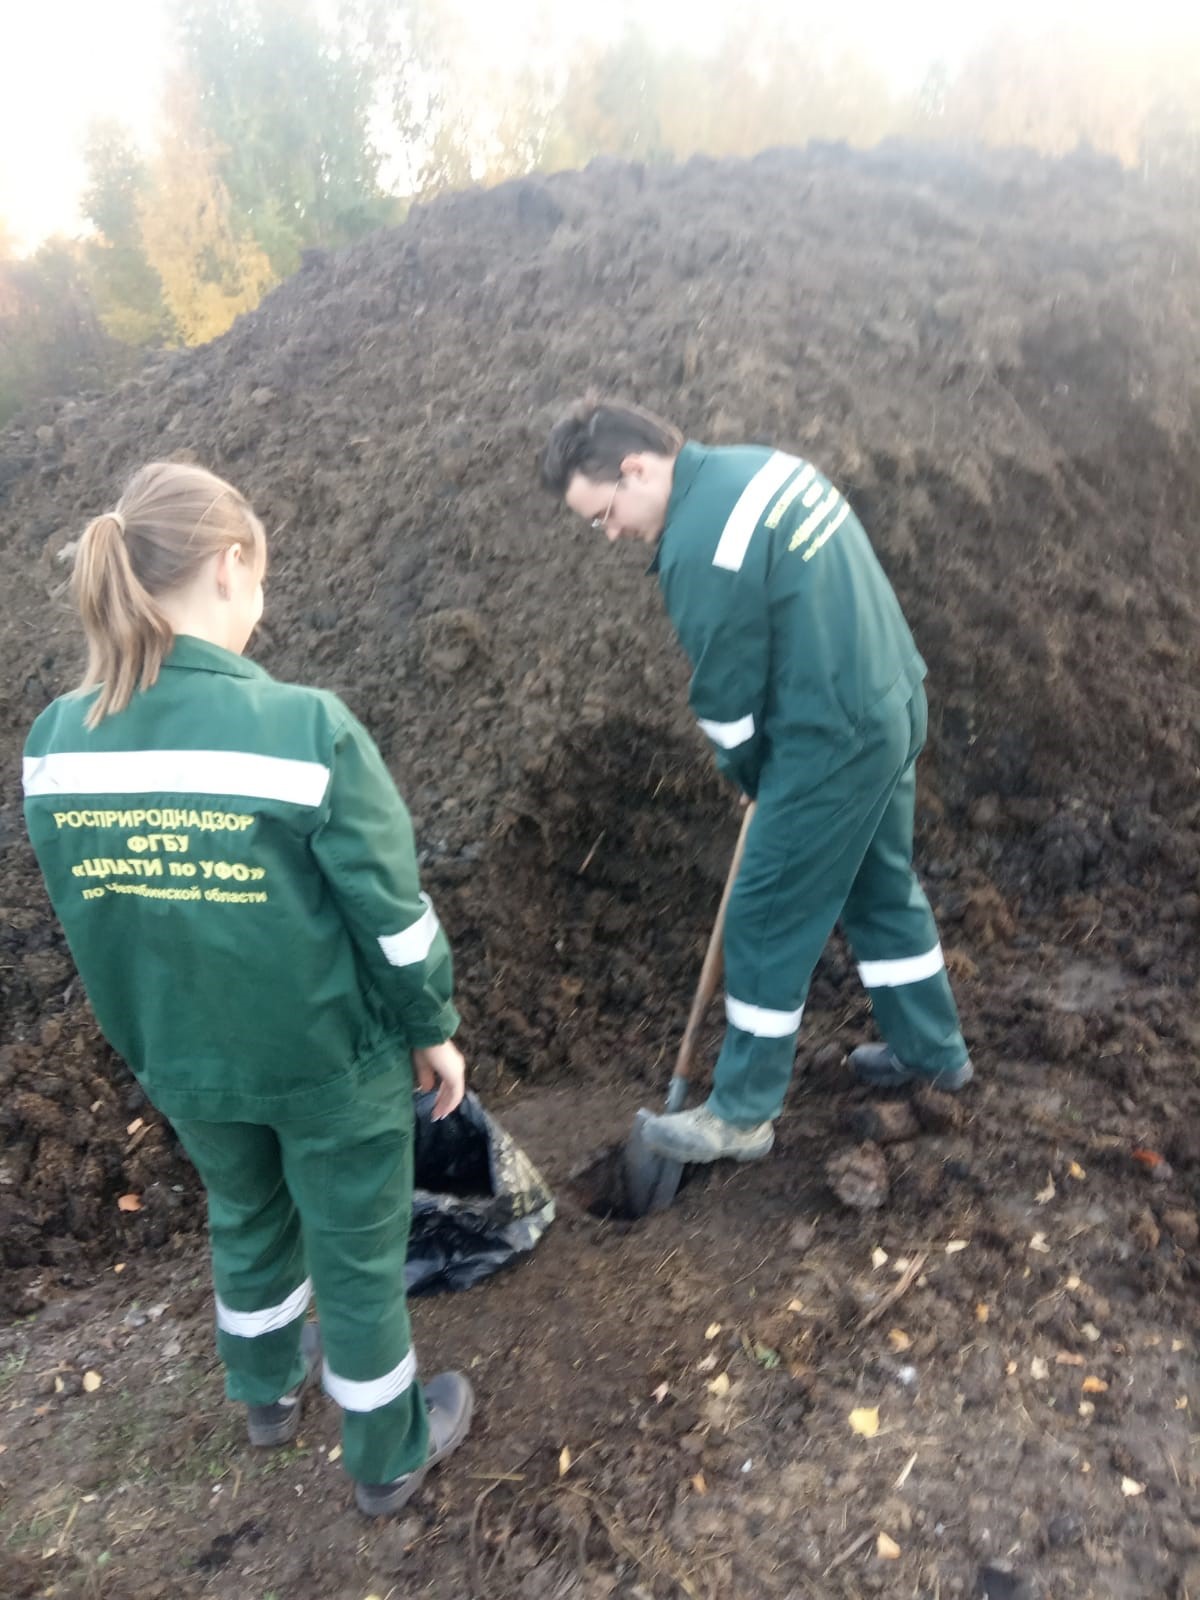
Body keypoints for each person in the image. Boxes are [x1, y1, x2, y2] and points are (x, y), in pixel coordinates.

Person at [22, 462, 473, 1516]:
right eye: (260, 575)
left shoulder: (53, 746)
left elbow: (98, 912)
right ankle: (387, 1453)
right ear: (230, 565)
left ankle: (264, 1394)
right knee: (358, 1255)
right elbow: (394, 918)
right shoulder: (304, 729)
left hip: (182, 1058)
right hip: (326, 1060)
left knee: (245, 1209)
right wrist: (432, 1026)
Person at [540, 399, 973, 1167]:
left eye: (604, 511)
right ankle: (934, 1053)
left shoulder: (699, 547)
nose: (610, 532)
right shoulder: (763, 467)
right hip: (891, 697)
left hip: (829, 738)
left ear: (636, 468)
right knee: (879, 887)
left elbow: (728, 700)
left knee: (765, 915)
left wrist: (752, 775)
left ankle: (741, 1111)